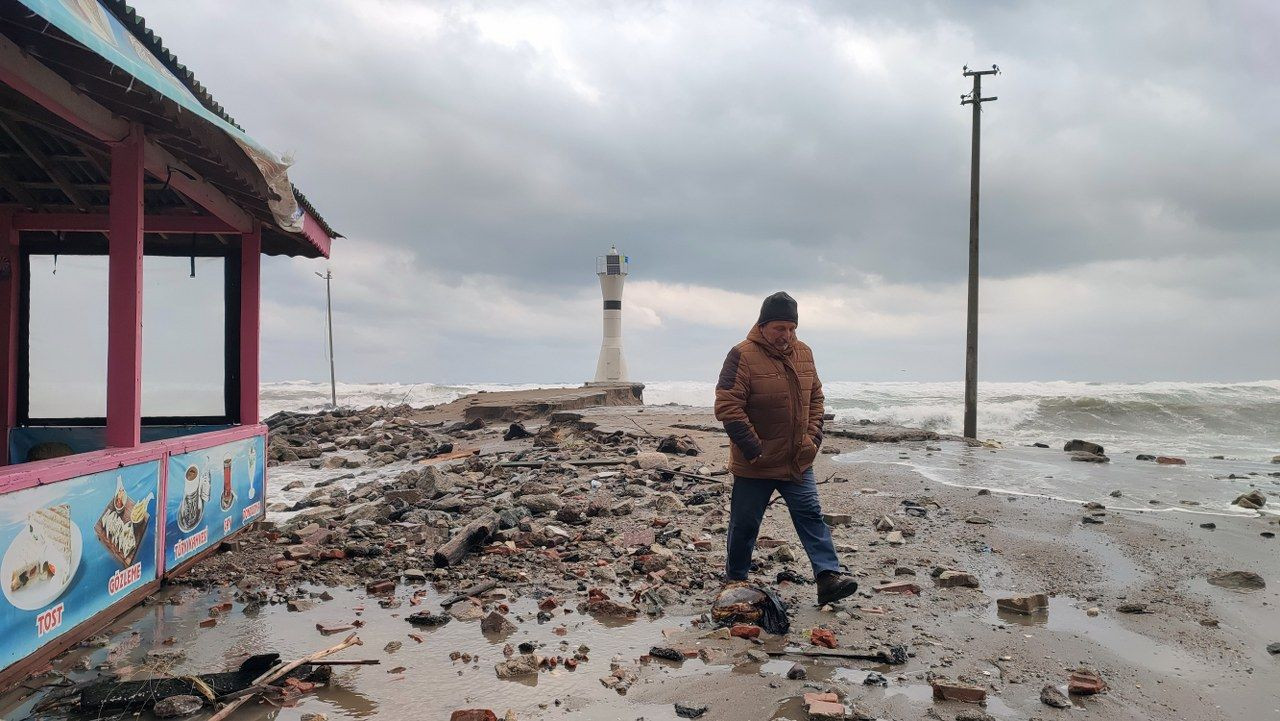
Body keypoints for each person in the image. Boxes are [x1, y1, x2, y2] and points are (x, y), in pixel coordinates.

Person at [714, 291, 859, 605]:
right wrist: (755, 450)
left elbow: (816, 399)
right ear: (764, 325)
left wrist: (812, 440)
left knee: (810, 515)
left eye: (791, 328)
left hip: (797, 459)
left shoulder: (804, 352)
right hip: (756, 463)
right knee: (745, 523)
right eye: (780, 328)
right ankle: (735, 580)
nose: (787, 335)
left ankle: (828, 577)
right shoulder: (741, 354)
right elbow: (728, 405)